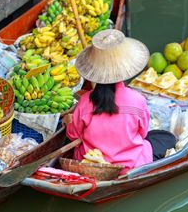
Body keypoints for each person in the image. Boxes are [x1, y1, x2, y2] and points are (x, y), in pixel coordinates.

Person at [62, 29, 176, 174]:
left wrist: (69, 122)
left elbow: (73, 135)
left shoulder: (84, 101)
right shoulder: (137, 100)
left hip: (91, 165)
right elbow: (142, 133)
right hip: (129, 166)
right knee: (166, 137)